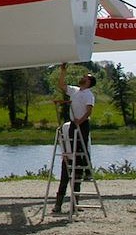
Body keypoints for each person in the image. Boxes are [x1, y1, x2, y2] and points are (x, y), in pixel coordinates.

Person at [53, 63, 95, 214]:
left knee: (82, 146)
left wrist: (80, 121)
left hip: (82, 123)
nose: (83, 78)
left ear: (89, 82)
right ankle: (60, 203)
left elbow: (89, 110)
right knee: (72, 148)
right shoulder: (76, 91)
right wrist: (63, 71)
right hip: (73, 123)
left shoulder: (88, 94)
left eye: (86, 78)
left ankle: (87, 170)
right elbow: (62, 85)